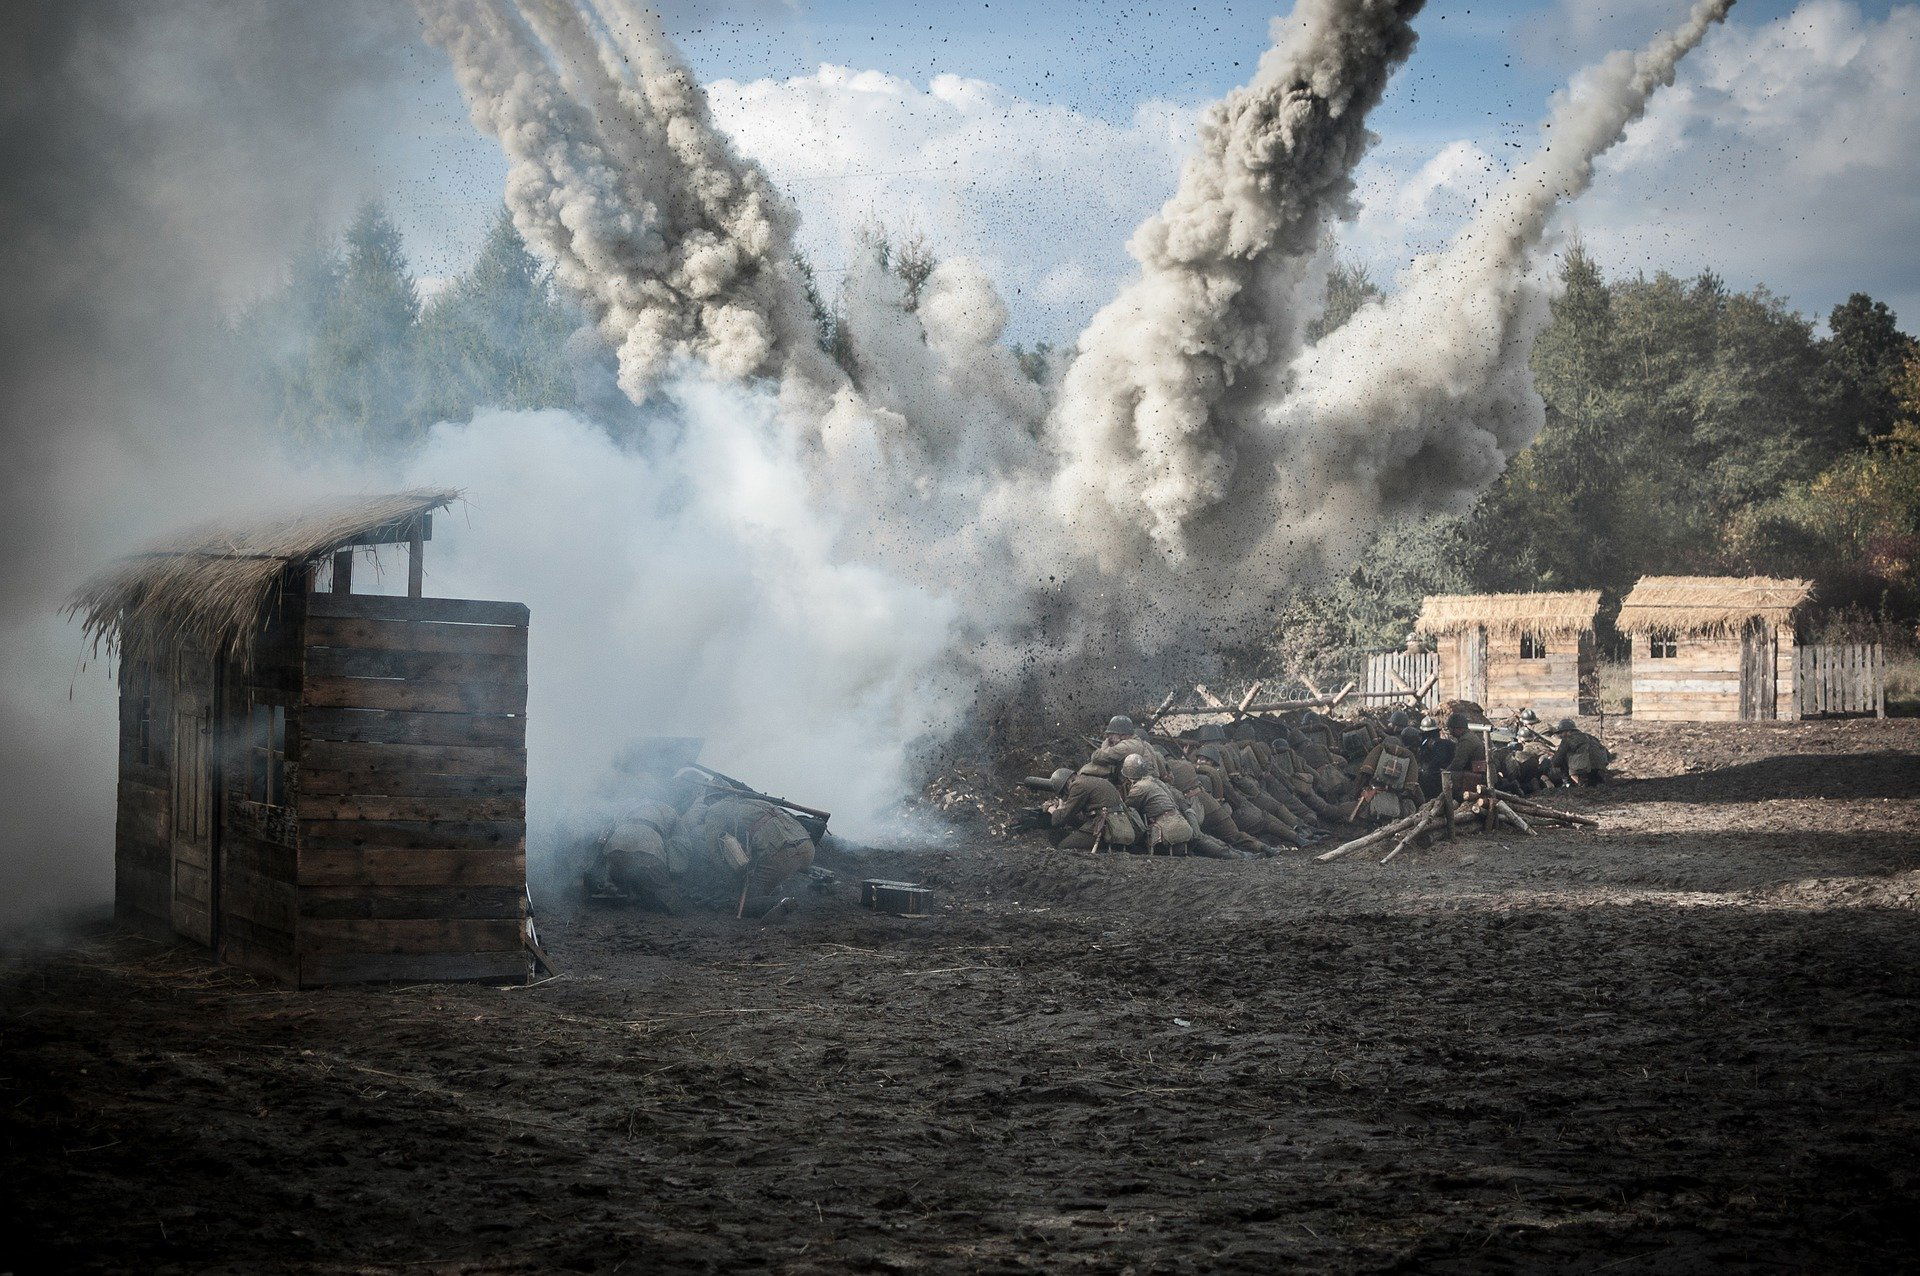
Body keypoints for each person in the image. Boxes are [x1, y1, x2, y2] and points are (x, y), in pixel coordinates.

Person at [669, 789, 818, 920]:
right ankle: (774, 891)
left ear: (712, 798)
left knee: (743, 904)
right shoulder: (754, 802)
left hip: (782, 854)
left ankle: (780, 902)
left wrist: (731, 876)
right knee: (769, 875)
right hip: (807, 847)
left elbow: (714, 850)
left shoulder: (716, 809)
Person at [586, 797, 685, 911]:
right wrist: (676, 873)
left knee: (620, 875)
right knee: (666, 893)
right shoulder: (668, 810)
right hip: (649, 847)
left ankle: (620, 892)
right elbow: (681, 843)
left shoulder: (628, 807)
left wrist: (598, 864)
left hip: (617, 844)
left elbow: (604, 836)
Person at [1047, 754, 1139, 850]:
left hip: (1105, 827)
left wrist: (1052, 809)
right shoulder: (1093, 781)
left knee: (1063, 846)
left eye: (1064, 792)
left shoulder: (1078, 785)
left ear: (1068, 783)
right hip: (1119, 825)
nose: (1067, 794)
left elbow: (1061, 818)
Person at [1551, 718, 1614, 785]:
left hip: (1582, 771)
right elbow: (1609, 756)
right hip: (1599, 769)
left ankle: (1569, 784)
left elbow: (1556, 761)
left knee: (1562, 759)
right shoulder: (1591, 737)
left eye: (1561, 733)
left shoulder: (1567, 739)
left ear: (1567, 731)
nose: (1561, 735)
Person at [1444, 711, 1488, 795]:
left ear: (1458, 729)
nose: (1450, 733)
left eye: (1451, 729)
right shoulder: (1469, 736)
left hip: (1477, 777)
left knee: (1449, 777)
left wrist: (1445, 772)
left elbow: (1458, 764)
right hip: (1476, 773)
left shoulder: (1466, 740)